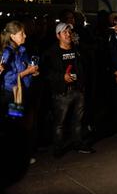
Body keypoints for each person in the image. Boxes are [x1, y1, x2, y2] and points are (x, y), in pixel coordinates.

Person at [41, 23, 94, 157]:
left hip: (78, 89)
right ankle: (58, 148)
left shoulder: (77, 49)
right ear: (58, 35)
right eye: (64, 32)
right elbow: (46, 72)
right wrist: (61, 77)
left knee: (78, 120)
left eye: (69, 32)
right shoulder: (51, 53)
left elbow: (87, 65)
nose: (68, 34)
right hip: (62, 92)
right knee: (60, 122)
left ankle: (78, 143)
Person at [0, 21, 39, 164]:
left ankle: (20, 154)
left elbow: (25, 67)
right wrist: (27, 72)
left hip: (24, 91)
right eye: (22, 33)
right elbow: (10, 78)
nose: (25, 35)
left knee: (23, 123)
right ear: (12, 36)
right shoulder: (7, 53)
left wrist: (32, 71)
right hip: (13, 95)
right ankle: (14, 157)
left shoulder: (21, 49)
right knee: (14, 125)